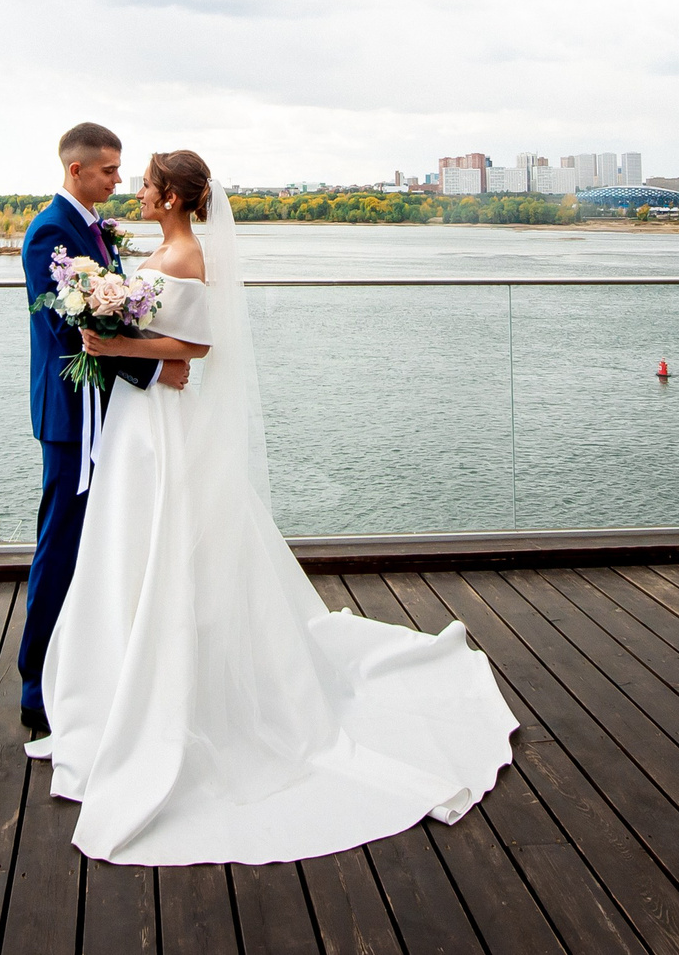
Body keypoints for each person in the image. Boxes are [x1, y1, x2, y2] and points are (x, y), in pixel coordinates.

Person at [26, 148, 518, 865]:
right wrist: (116, 329)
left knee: (163, 539)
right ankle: (116, 684)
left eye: (146, 183)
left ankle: (174, 697)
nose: (135, 188)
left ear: (170, 198)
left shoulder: (186, 254)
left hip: (162, 418)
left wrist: (112, 336)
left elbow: (193, 347)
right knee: (133, 545)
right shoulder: (166, 245)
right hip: (142, 417)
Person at [18, 122, 183, 735]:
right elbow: (70, 333)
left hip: (101, 407)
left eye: (120, 172)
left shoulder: (92, 228)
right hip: (71, 414)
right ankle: (37, 684)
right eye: (110, 170)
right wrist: (156, 363)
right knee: (60, 542)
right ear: (76, 170)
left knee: (96, 542)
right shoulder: (49, 235)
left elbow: (107, 312)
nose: (118, 180)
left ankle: (87, 668)